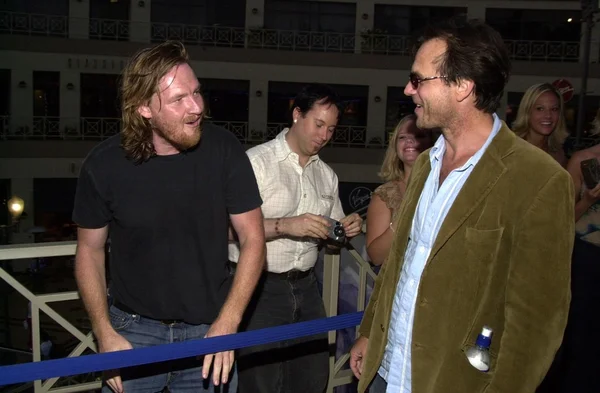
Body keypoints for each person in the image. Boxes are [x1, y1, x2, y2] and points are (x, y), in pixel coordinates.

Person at [349, 17, 574, 393]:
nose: (408, 89)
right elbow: (400, 265)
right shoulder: (425, 163)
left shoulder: (540, 180)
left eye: (419, 79)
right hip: (387, 372)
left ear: (463, 86)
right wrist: (371, 332)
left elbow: (536, 324)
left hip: (452, 380)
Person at [72, 40, 266, 393]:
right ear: (144, 108)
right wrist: (104, 332)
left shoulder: (224, 149)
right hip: (132, 332)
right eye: (179, 99)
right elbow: (89, 250)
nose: (196, 107)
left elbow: (253, 239)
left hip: (209, 330)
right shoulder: (103, 165)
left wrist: (229, 321)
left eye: (196, 92)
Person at [228, 83, 363, 393]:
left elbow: (331, 239)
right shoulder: (257, 163)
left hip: (306, 287)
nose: (324, 135)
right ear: (297, 114)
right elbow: (226, 230)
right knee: (260, 382)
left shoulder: (326, 175)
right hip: (257, 286)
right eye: (318, 124)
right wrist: (288, 225)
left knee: (312, 379)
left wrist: (342, 231)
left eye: (331, 129)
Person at [539, 120, 600, 393]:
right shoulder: (583, 160)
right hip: (586, 256)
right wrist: (588, 199)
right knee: (581, 335)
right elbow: (561, 219)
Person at [365, 114, 434, 266]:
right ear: (395, 146)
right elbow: (375, 256)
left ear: (432, 143)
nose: (409, 140)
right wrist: (403, 218)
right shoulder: (385, 194)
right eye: (402, 137)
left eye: (419, 135)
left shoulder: (446, 186)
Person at [513, 83, 569, 167]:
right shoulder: (511, 149)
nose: (548, 115)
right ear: (527, 111)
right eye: (540, 109)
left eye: (554, 109)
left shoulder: (558, 153)